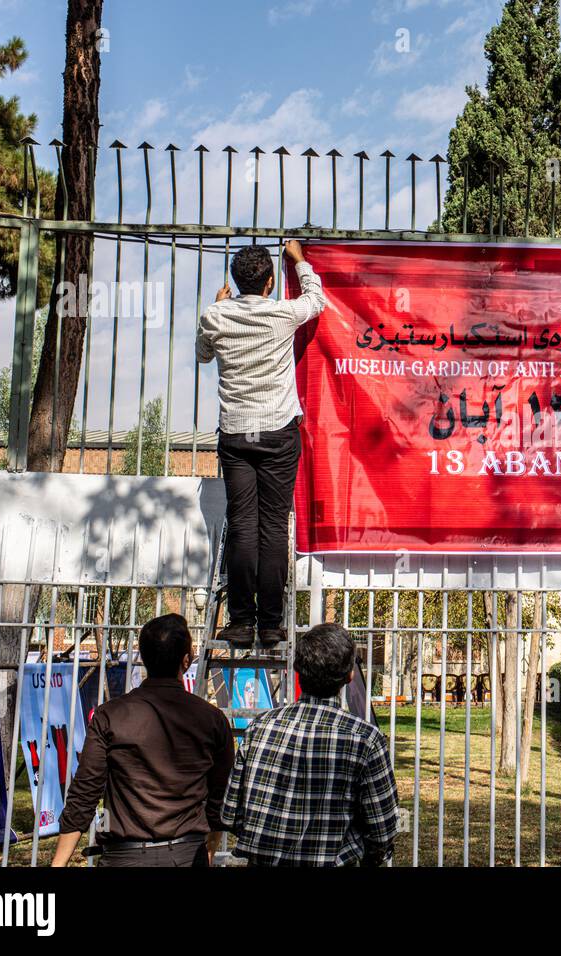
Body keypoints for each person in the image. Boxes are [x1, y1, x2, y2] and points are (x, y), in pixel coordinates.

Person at [197, 239, 326, 648]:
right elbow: (316, 301)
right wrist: (301, 261)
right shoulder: (281, 313)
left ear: (235, 282)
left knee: (242, 525)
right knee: (272, 526)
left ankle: (239, 621)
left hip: (236, 434)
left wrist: (218, 305)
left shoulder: (215, 316)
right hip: (277, 432)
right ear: (270, 282)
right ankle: (270, 624)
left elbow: (202, 355)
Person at [52, 614, 234, 867]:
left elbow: (84, 793)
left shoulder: (111, 715)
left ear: (144, 659)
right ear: (186, 660)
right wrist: (211, 845)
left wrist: (58, 863)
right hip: (186, 855)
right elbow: (221, 795)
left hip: (126, 857)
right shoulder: (213, 719)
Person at [223, 624, 398, 866]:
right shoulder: (365, 739)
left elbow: (231, 813)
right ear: (350, 675)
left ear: (298, 670)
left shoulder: (258, 728)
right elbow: (383, 831)